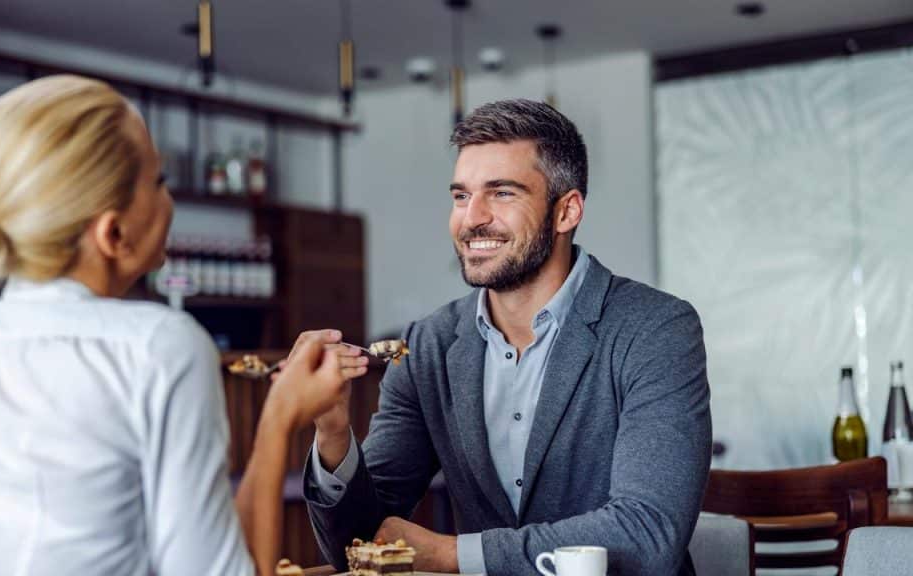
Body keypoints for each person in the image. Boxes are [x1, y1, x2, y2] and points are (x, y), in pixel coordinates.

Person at [0, 75, 367, 576]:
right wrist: (280, 416)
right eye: (158, 181)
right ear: (113, 232)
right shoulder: (160, 347)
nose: (169, 201)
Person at [304, 99, 712, 576]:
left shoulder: (656, 328)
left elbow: (647, 535)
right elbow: (360, 544)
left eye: (501, 193)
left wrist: (451, 555)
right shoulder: (426, 346)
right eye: (461, 196)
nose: (471, 218)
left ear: (566, 211)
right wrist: (332, 431)